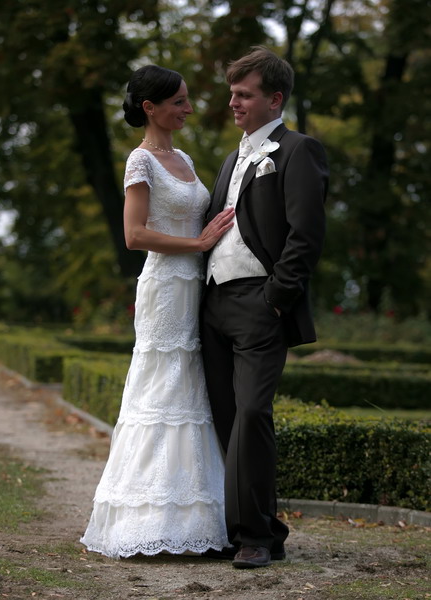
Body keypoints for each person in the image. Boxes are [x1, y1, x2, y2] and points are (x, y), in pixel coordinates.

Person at [80, 64, 234, 558]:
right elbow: (134, 234)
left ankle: (197, 518)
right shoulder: (139, 161)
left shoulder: (184, 157)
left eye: (186, 99)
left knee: (194, 388)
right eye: (179, 102)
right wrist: (198, 243)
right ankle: (147, 520)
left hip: (198, 286)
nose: (188, 108)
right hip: (166, 287)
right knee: (164, 387)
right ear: (150, 108)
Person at [200, 47, 329, 569]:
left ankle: (252, 537)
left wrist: (276, 297)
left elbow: (306, 234)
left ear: (274, 99)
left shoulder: (299, 150)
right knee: (228, 418)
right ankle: (265, 530)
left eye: (244, 95)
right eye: (232, 93)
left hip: (261, 303)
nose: (233, 102)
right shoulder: (231, 158)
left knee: (253, 412)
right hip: (213, 303)